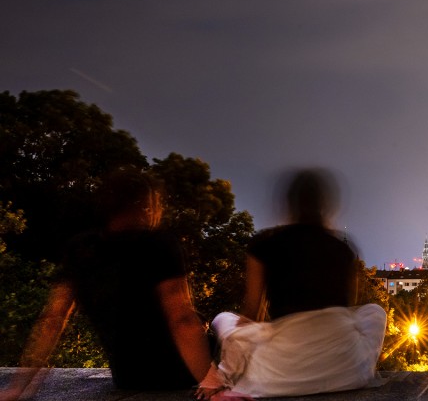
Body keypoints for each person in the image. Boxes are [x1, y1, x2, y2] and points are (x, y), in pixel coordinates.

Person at [0, 167, 233, 401]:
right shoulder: (158, 244)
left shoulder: (80, 250)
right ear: (147, 206)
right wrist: (211, 380)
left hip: (129, 377)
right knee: (226, 321)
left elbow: (51, 320)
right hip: (181, 373)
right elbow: (180, 318)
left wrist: (18, 387)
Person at [211, 168, 386, 398]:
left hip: (279, 376)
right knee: (375, 312)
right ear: (326, 205)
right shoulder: (343, 249)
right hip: (345, 371)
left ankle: (221, 377)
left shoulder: (264, 245)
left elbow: (252, 314)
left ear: (289, 205)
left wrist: (264, 333)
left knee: (222, 320)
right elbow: (347, 312)